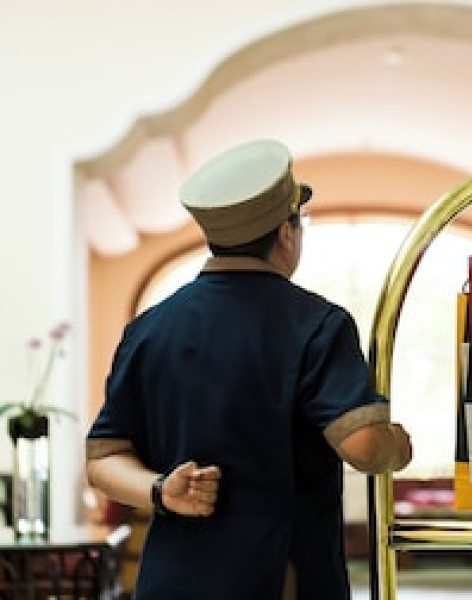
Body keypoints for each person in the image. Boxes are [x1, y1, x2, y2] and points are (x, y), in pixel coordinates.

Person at [85, 139, 413, 599]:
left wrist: (162, 490)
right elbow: (364, 446)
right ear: (285, 232)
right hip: (279, 577)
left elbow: (103, 460)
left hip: (170, 582)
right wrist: (396, 445)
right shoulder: (316, 324)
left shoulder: (148, 329)